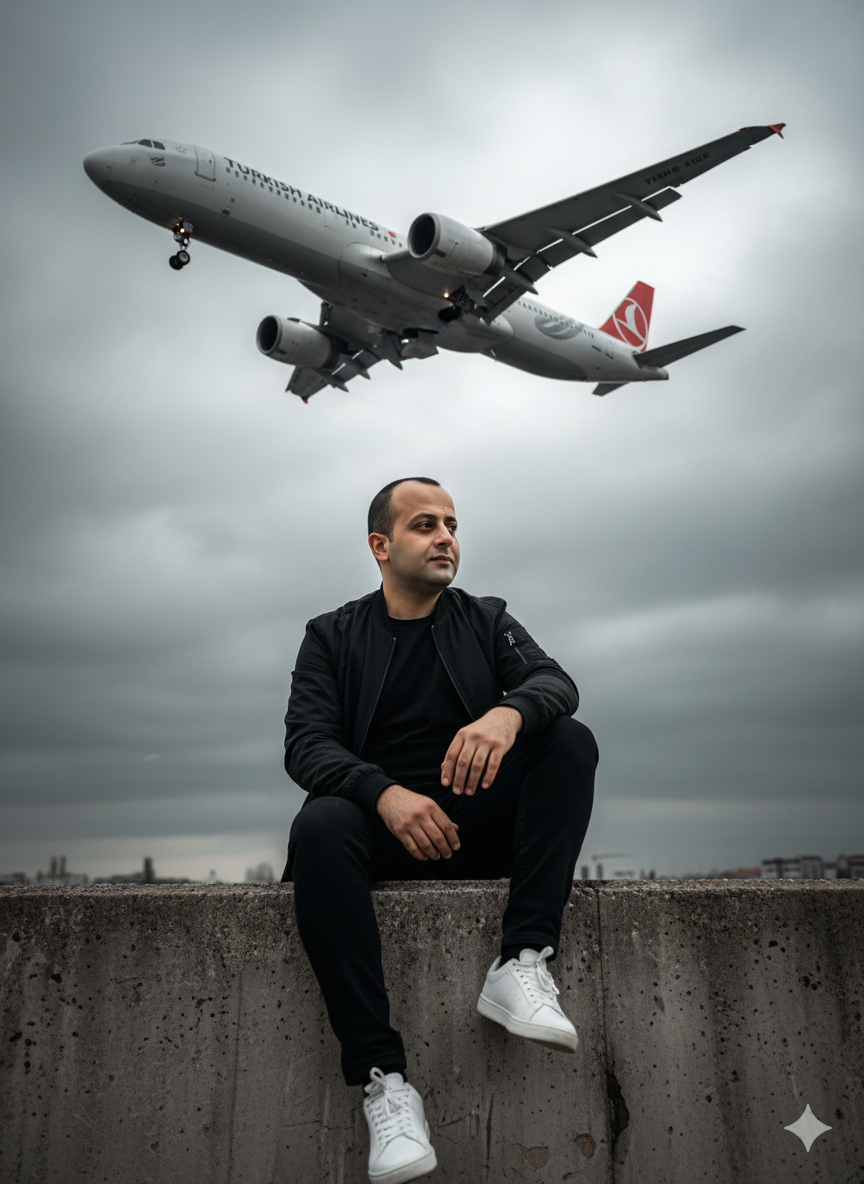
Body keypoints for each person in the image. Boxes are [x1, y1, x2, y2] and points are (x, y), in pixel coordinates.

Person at [281, 477, 597, 1184]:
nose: (446, 537)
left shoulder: (486, 619)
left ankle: (522, 962)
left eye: (452, 523)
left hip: (478, 826)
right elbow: (306, 744)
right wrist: (382, 792)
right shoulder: (331, 635)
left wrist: (507, 713)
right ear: (380, 545)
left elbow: (554, 682)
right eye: (425, 524)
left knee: (568, 740)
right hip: (378, 839)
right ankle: (385, 1084)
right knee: (322, 822)